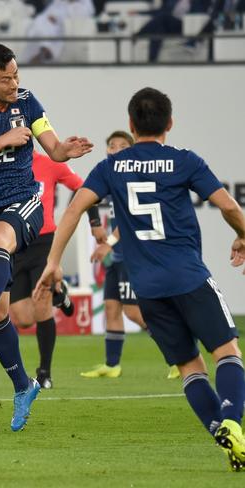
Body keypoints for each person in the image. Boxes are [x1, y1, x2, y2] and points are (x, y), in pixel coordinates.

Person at [34, 87, 245, 471]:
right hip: (189, 276)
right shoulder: (184, 161)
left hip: (147, 287)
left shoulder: (111, 167)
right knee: (227, 352)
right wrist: (243, 235)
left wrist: (53, 261)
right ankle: (232, 420)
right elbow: (228, 205)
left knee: (190, 368)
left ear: (131, 125)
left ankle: (223, 434)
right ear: (170, 123)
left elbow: (75, 209)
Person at [0, 42, 92, 431]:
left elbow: (53, 146)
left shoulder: (28, 102)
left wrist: (66, 150)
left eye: (16, 75)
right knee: (0, 313)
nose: (14, 84)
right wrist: (1, 141)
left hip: (25, 202)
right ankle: (23, 385)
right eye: (6, 79)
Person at [82, 130, 179, 380]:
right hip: (117, 255)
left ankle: (179, 357)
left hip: (132, 253)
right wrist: (95, 223)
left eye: (122, 146)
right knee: (112, 308)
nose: (115, 149)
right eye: (111, 145)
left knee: (134, 312)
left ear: (132, 150)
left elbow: (132, 221)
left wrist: (108, 243)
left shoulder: (135, 178)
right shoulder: (110, 176)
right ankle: (112, 365)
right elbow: (86, 197)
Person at [9, 151, 105, 389]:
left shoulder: (50, 163)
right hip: (16, 246)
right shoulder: (3, 165)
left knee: (41, 308)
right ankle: (59, 295)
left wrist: (94, 223)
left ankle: (44, 373)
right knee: (21, 319)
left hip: (44, 244)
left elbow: (84, 188)